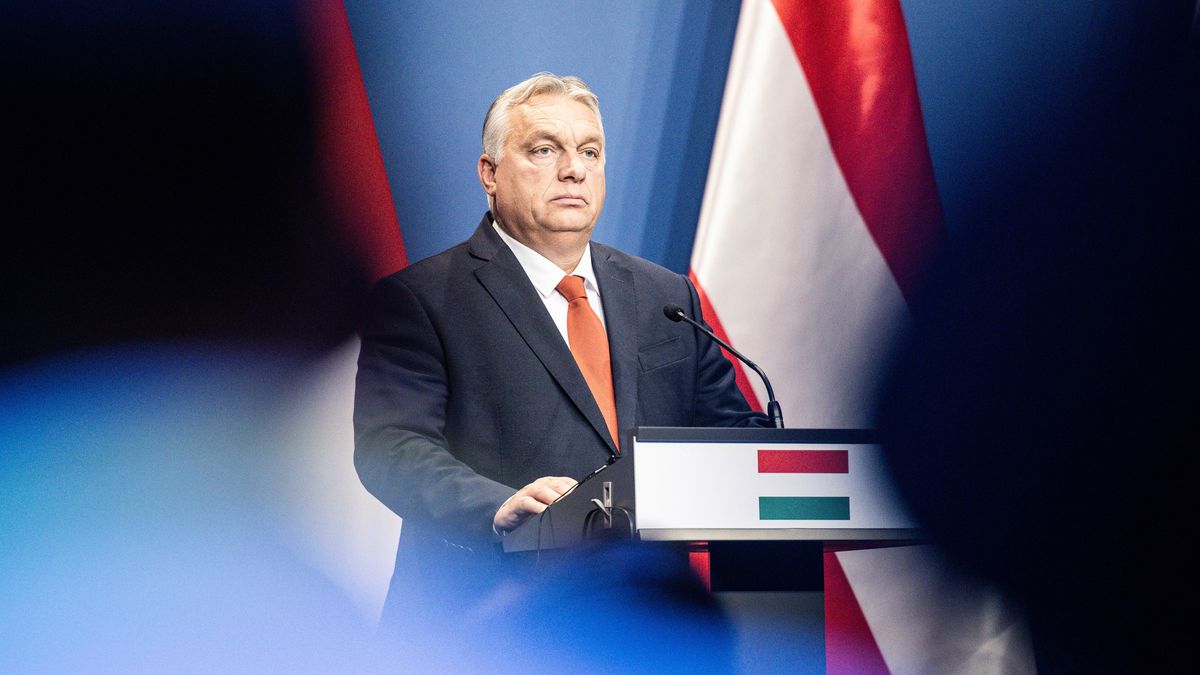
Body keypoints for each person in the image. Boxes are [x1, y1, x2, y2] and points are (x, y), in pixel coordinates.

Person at [353, 73, 768, 633]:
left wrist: (785, 465)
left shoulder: (666, 296)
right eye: (544, 149)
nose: (573, 169)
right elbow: (391, 447)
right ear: (489, 174)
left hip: (646, 628)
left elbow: (729, 434)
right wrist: (496, 507)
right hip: (484, 624)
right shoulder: (421, 298)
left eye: (589, 151)